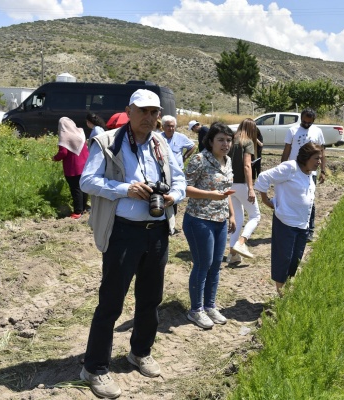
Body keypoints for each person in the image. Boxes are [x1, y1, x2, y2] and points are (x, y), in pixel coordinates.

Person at [79, 89, 186, 399]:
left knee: (151, 298)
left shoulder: (162, 143)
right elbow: (87, 180)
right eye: (143, 111)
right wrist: (124, 189)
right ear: (129, 111)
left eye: (154, 112)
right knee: (111, 301)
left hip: (157, 232)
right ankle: (95, 368)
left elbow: (178, 179)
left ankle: (140, 352)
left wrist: (172, 196)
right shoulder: (108, 141)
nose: (149, 118)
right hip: (123, 231)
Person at [184, 122, 236, 330]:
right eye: (221, 140)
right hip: (199, 219)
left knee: (216, 265)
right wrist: (209, 195)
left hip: (220, 220)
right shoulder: (199, 159)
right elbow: (183, 188)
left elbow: (226, 190)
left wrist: (231, 214)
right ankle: (195, 310)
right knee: (202, 264)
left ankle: (210, 305)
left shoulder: (228, 161)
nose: (225, 144)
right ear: (211, 141)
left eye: (229, 140)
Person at [255, 142, 322, 296]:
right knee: (283, 258)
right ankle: (281, 293)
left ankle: (287, 287)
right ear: (306, 157)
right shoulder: (290, 168)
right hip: (285, 221)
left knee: (295, 259)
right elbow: (264, 176)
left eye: (320, 158)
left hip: (302, 223)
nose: (319, 162)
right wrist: (266, 200)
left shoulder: (310, 173)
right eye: (316, 158)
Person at [281, 108, 327, 242]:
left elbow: (322, 153)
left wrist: (322, 170)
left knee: (309, 201)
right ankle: (293, 227)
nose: (306, 124)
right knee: (293, 199)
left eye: (309, 123)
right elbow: (287, 150)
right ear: (301, 118)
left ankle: (309, 230)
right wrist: (283, 168)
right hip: (294, 170)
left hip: (310, 172)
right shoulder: (292, 130)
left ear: (313, 121)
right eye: (304, 122)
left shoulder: (317, 131)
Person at [226, 118, 262, 265]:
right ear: (252, 129)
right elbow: (247, 166)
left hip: (228, 184)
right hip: (241, 184)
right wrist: (251, 189)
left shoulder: (230, 140)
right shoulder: (247, 142)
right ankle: (242, 241)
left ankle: (233, 254)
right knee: (255, 216)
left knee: (238, 219)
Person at [52, 116, 90, 219]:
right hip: (84, 164)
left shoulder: (65, 136)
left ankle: (78, 212)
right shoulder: (80, 132)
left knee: (75, 188)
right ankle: (84, 207)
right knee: (83, 187)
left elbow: (63, 152)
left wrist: (55, 158)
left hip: (73, 167)